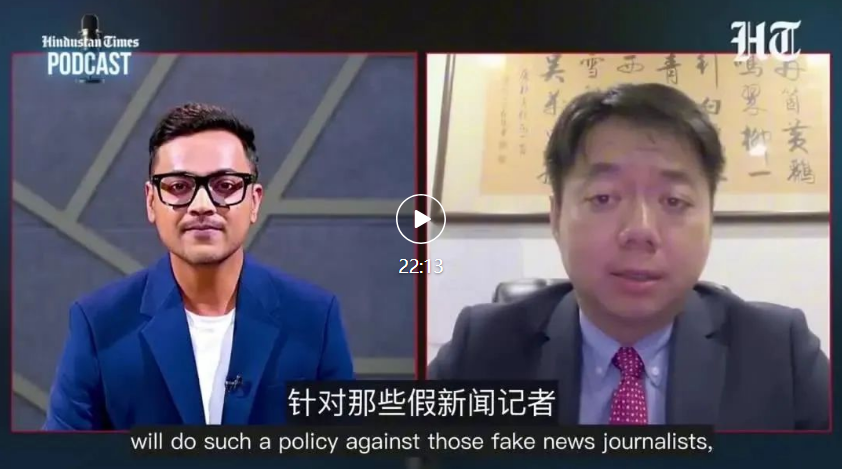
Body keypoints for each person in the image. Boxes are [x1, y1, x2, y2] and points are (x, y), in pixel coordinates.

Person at [428, 83, 829, 430]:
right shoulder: (480, 350)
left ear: (710, 219)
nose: (640, 231)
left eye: (674, 201)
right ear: (556, 217)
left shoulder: (780, 354)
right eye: (603, 198)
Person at [44, 103, 354, 430]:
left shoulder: (314, 319)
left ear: (254, 201)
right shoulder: (99, 324)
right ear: (151, 201)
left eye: (226, 186)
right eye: (179, 187)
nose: (202, 205)